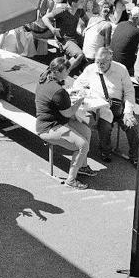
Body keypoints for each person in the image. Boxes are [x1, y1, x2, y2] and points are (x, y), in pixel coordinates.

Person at [35, 57, 95, 189]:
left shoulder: (45, 77)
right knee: (83, 145)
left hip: (57, 121)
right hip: (50, 128)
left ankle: (82, 166)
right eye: (66, 70)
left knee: (87, 132)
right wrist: (78, 102)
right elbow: (68, 113)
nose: (69, 72)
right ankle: (71, 180)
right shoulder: (58, 91)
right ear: (57, 72)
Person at [73, 47, 139, 164]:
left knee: (132, 125)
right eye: (97, 61)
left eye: (103, 63)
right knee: (104, 127)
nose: (99, 65)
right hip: (101, 107)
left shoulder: (121, 69)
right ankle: (105, 151)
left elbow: (129, 91)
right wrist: (86, 93)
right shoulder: (90, 69)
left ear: (110, 60)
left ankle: (135, 157)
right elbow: (77, 85)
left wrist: (128, 111)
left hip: (119, 106)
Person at [109, 6, 139, 72]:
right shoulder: (138, 32)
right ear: (138, 18)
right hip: (125, 66)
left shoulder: (120, 24)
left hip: (112, 62)